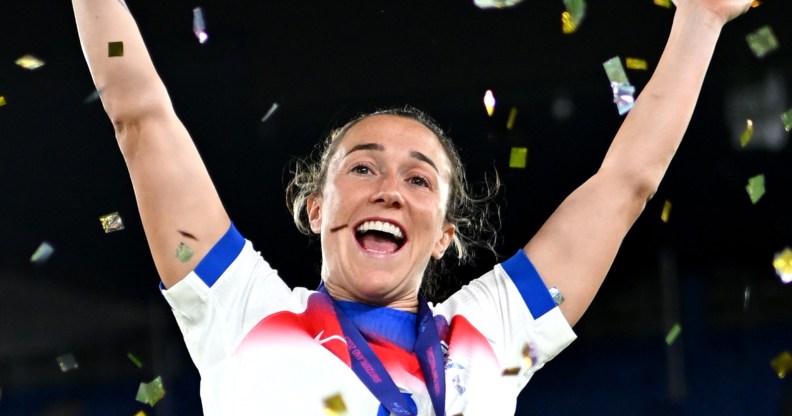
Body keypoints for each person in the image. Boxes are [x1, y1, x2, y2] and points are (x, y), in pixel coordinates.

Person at [71, 0, 753, 415]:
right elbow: (141, 118)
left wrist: (701, 18)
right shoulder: (240, 312)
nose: (390, 190)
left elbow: (626, 182)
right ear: (315, 208)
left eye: (420, 180)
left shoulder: (493, 331)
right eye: (362, 168)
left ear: (444, 236)